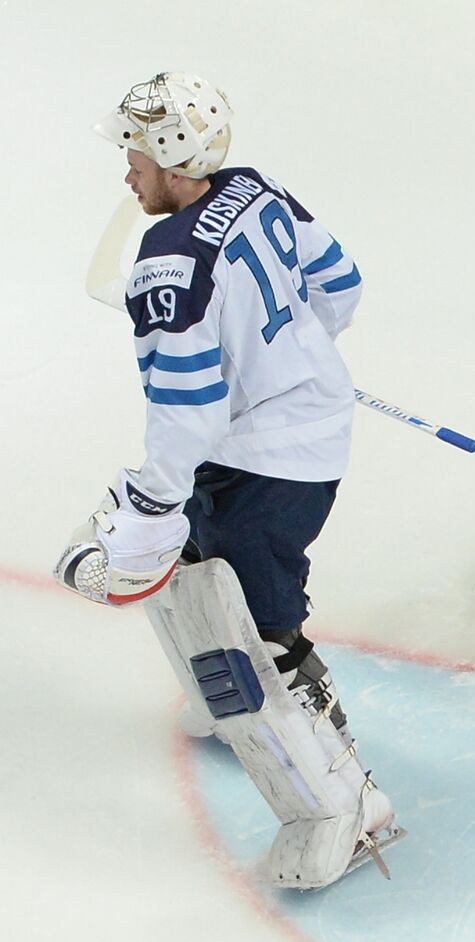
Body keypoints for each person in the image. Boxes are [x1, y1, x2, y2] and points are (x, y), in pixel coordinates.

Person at [54, 72, 401, 887]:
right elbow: (341, 285)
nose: (128, 171)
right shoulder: (253, 188)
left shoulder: (167, 263)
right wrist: (288, 358)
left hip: (269, 464)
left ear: (173, 158)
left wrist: (151, 500)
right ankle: (226, 707)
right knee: (205, 570)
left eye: (136, 156)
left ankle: (350, 804)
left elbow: (189, 413)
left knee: (267, 630)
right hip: (292, 433)